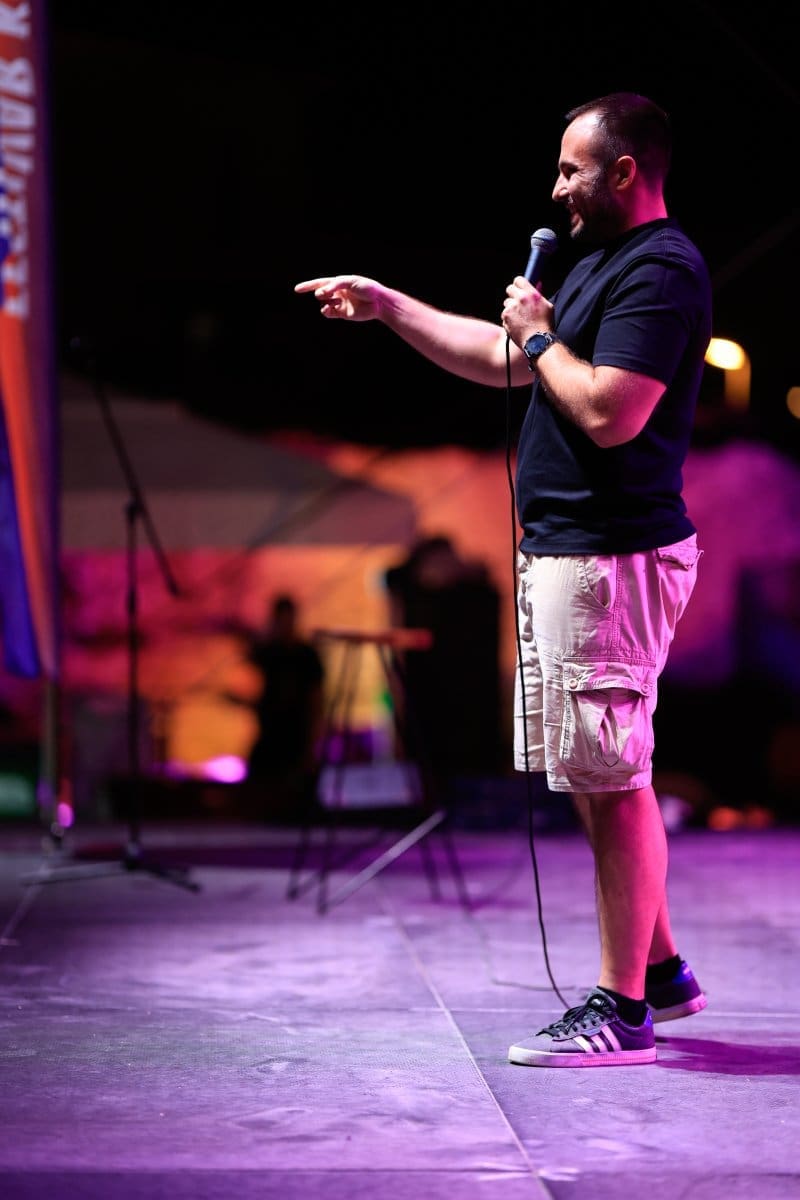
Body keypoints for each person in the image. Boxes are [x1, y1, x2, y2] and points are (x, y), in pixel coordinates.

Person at [295, 92, 710, 1067]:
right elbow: (502, 357)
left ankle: (621, 1011)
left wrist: (538, 336)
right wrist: (390, 305)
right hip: (571, 553)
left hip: (611, 556)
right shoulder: (596, 261)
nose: (554, 188)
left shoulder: (659, 268)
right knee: (592, 774)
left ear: (623, 171)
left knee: (614, 781)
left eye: (570, 169)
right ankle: (658, 971)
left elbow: (609, 411)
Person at [243, 594, 325, 812]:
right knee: (264, 784)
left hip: (296, 729)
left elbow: (316, 696)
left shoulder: (306, 655)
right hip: (271, 731)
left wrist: (313, 736)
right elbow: (251, 664)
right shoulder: (270, 652)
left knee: (296, 788)